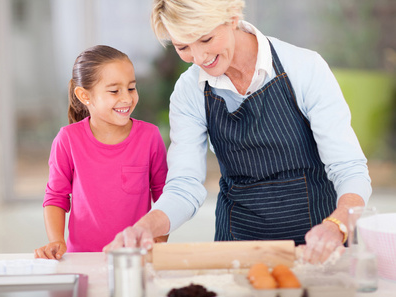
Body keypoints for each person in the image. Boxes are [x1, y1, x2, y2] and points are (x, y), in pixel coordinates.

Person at [104, 0, 372, 264]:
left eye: (206, 39)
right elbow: (184, 186)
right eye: (182, 46)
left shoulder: (303, 67)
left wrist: (338, 225)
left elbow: (349, 168)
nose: (199, 58)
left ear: (232, 17)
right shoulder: (189, 92)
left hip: (319, 246)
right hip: (236, 251)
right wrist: (145, 227)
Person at [34, 45, 168, 259]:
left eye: (131, 88)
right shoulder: (67, 139)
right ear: (84, 96)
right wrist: (56, 240)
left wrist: (159, 242)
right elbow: (56, 197)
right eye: (114, 91)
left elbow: (163, 195)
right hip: (82, 258)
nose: (126, 98)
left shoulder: (150, 136)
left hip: (135, 255)